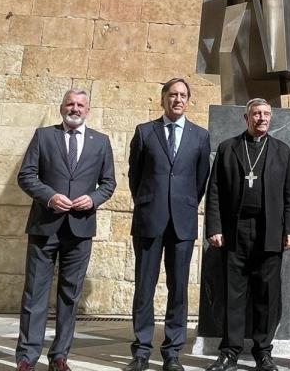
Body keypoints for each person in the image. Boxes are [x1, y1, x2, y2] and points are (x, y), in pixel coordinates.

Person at [15, 88, 116, 371]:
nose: (75, 108)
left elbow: (108, 183)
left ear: (88, 110)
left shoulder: (101, 142)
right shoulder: (43, 136)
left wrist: (93, 199)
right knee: (34, 293)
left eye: (80, 105)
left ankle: (60, 356)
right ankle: (26, 357)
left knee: (70, 295)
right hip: (45, 226)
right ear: (62, 108)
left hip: (80, 229)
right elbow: (26, 175)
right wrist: (49, 196)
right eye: (70, 104)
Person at [125, 78, 212, 371]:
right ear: (162, 99)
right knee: (144, 287)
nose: (178, 99)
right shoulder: (145, 132)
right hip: (149, 220)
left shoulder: (200, 136)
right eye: (172, 95)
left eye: (183, 95)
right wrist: (150, 202)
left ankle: (172, 352)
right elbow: (134, 176)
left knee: (178, 289)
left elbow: (200, 181)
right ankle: (140, 350)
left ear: (188, 101)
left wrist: (182, 203)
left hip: (183, 223)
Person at [205, 98, 290, 371]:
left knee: (266, 296)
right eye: (256, 113)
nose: (262, 118)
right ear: (246, 118)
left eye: (266, 114)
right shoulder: (228, 148)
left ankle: (263, 353)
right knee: (233, 294)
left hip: (270, 231)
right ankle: (229, 353)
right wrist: (215, 227)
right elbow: (215, 192)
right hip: (236, 230)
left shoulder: (282, 151)